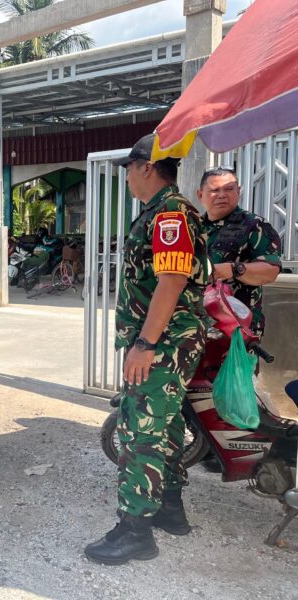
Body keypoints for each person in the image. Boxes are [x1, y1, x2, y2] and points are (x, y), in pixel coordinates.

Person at [84, 134, 209, 565]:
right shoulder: (162, 212)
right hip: (168, 342)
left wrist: (145, 343)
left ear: (147, 167)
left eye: (129, 169)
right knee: (168, 425)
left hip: (164, 344)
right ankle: (169, 509)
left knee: (141, 432)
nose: (128, 178)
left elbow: (172, 282)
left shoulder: (171, 213)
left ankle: (134, 531)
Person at [197, 166, 282, 337]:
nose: (222, 195)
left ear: (239, 191)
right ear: (200, 195)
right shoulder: (193, 227)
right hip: (195, 327)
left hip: (237, 329)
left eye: (229, 189)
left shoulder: (254, 226)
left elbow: (271, 270)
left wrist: (235, 269)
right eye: (215, 190)